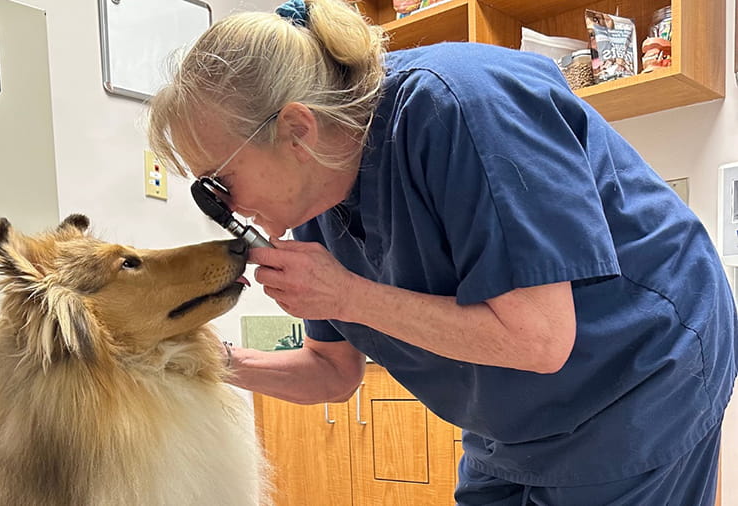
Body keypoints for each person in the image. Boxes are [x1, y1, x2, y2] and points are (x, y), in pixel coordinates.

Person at [147, 0, 738, 503]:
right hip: (510, 419)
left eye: (216, 184)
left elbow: (537, 338)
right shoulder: (318, 205)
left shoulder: (463, 105)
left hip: (642, 369)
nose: (226, 210)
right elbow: (331, 375)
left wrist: (349, 295)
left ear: (296, 131)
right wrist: (198, 360)